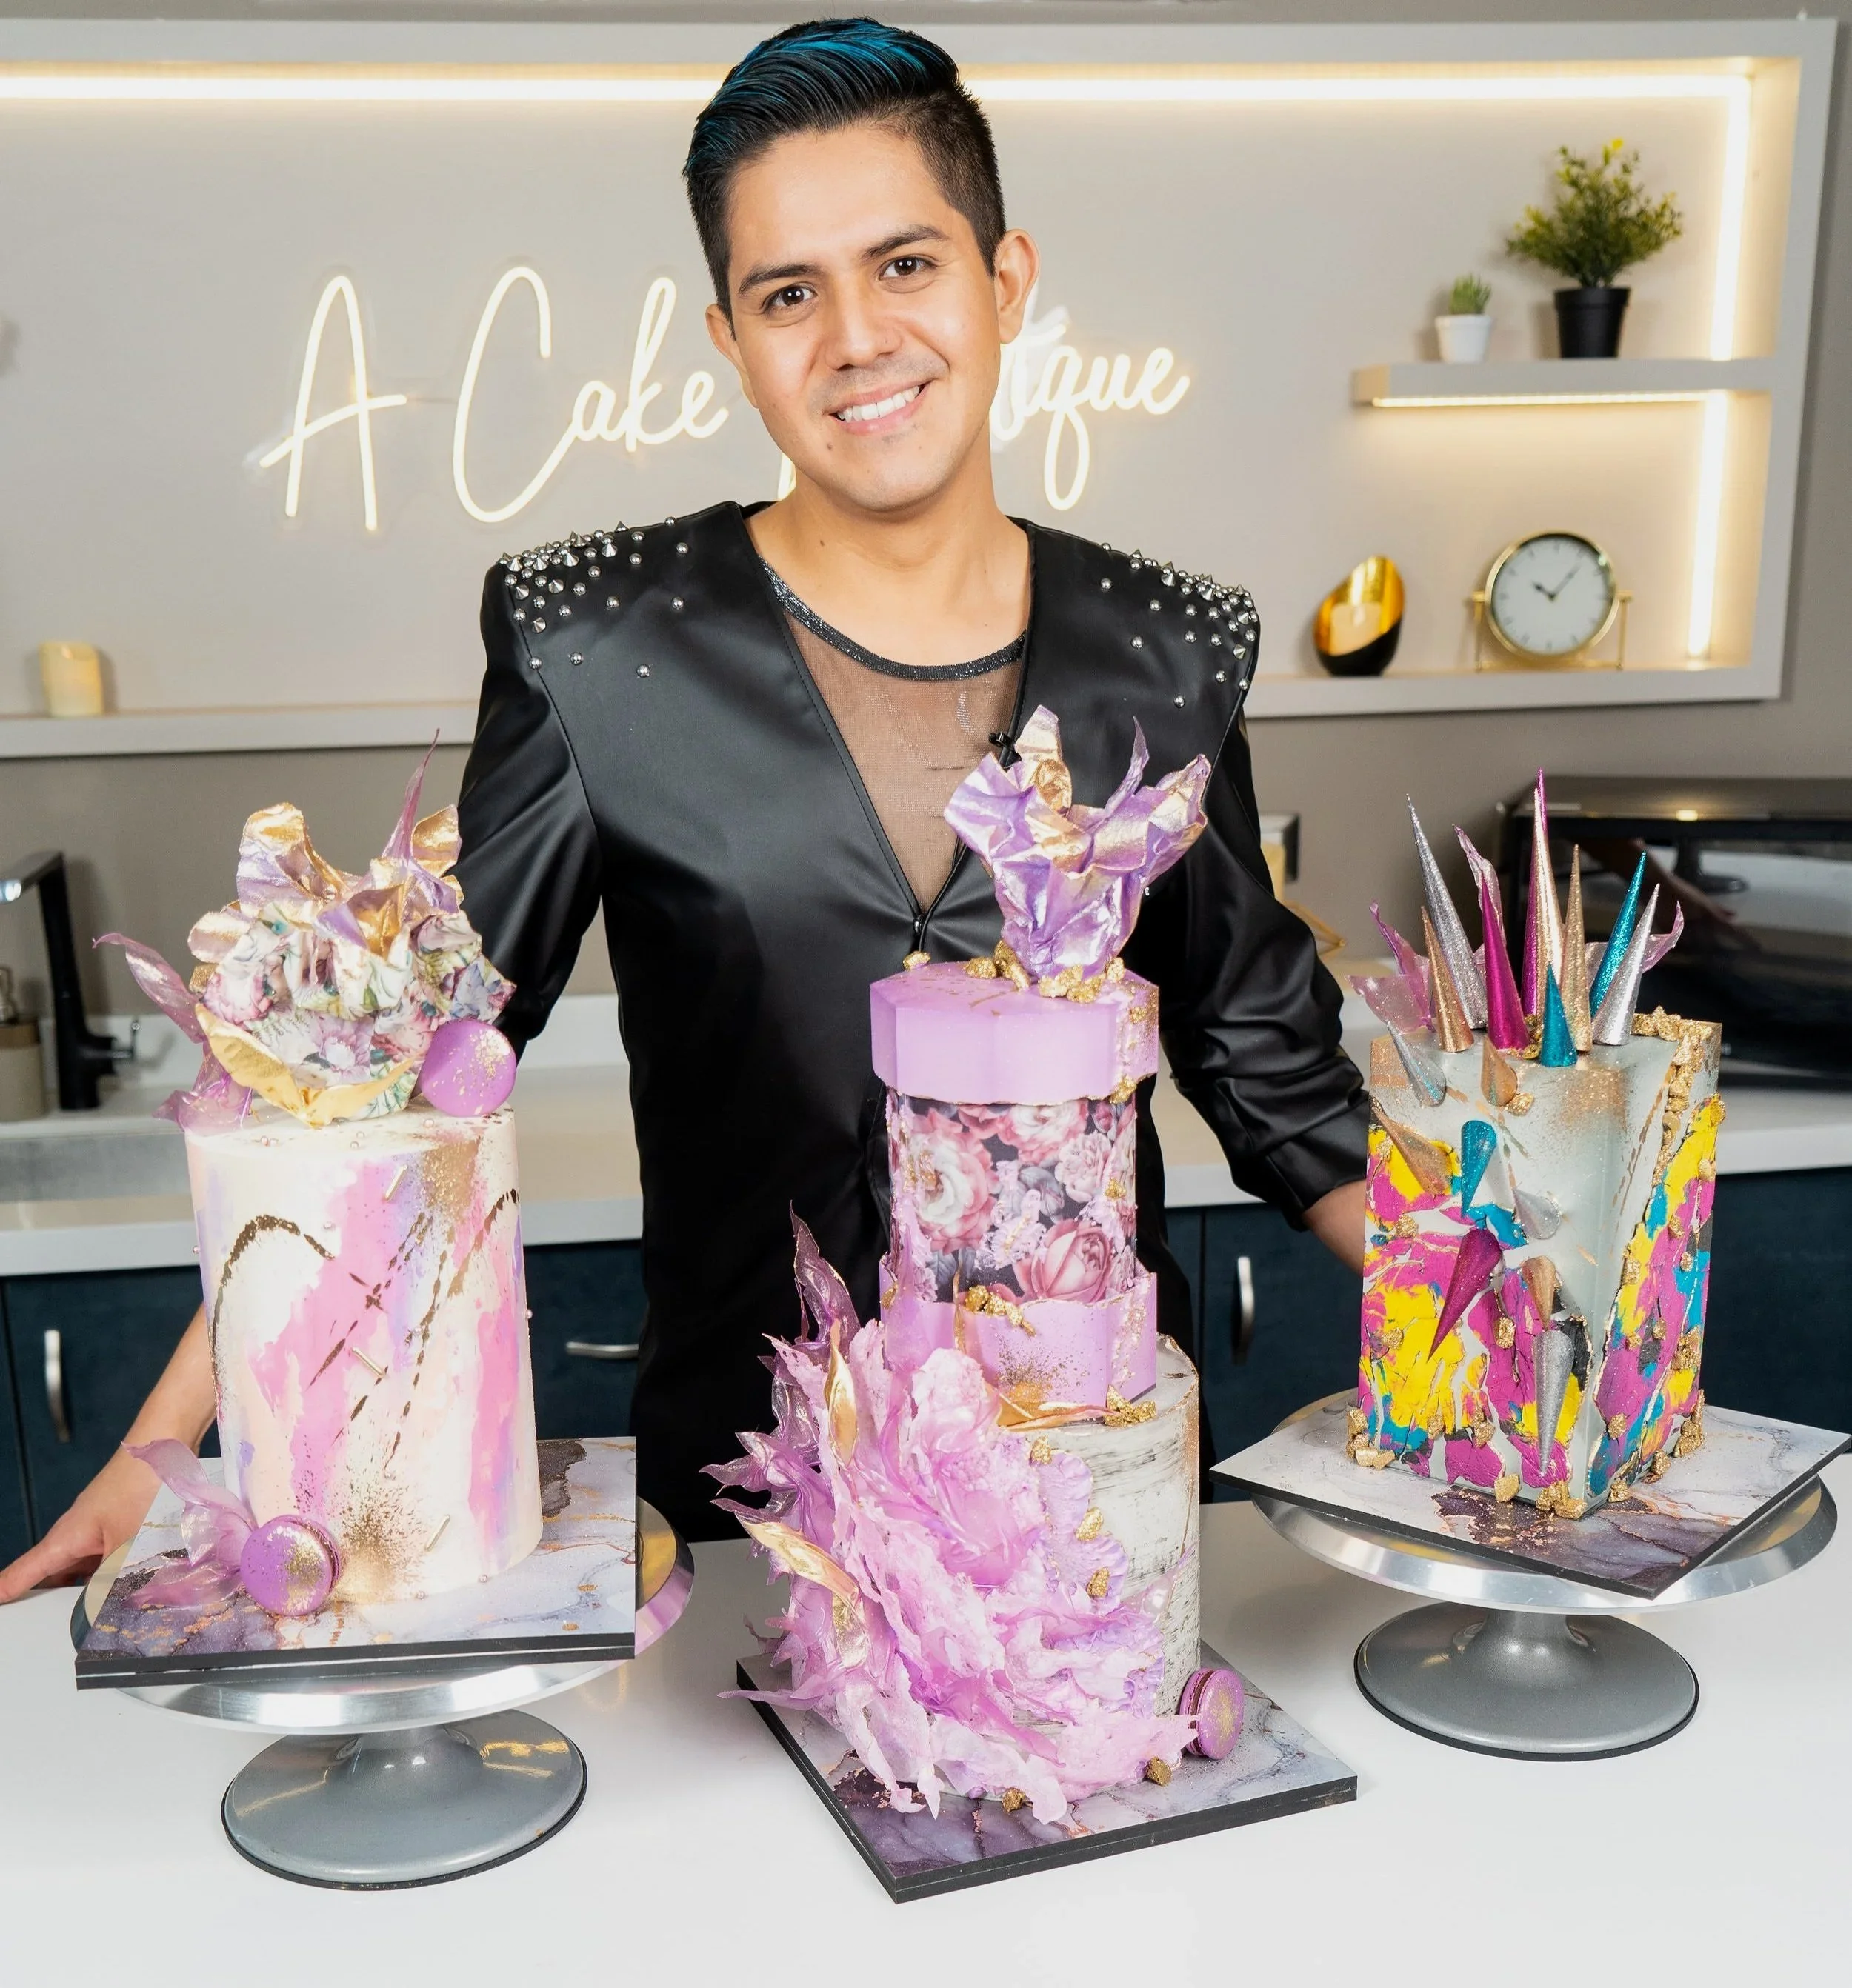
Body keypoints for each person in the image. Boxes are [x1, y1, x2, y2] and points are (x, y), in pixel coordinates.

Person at [0, 17, 1366, 1594]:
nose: (856, 337)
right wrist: (160, 1457)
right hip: (742, 1526)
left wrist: (1509, 1326)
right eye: (789, 294)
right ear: (729, 337)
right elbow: (398, 1092)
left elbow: (1274, 1076)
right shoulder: (597, 644)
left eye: (905, 265)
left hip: (1091, 1527)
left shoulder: (1167, 648)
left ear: (1005, 282)